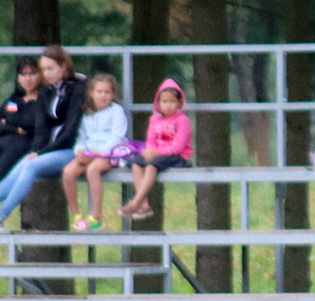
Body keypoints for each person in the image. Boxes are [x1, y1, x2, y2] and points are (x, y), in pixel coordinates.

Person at [0, 46, 86, 226]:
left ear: (64, 67)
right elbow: (41, 129)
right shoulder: (46, 92)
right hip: (49, 150)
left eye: (50, 69)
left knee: (31, 165)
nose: (46, 74)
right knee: (20, 167)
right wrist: (36, 150)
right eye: (44, 69)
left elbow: (70, 132)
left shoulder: (77, 89)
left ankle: (1, 215)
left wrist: (41, 153)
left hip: (72, 150)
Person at [119, 78, 192, 221]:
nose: (168, 105)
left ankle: (135, 202)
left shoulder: (183, 120)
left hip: (177, 156)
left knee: (151, 166)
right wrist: (149, 152)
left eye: (172, 101)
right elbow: (151, 140)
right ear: (158, 103)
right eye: (164, 102)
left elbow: (177, 147)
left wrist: (156, 153)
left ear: (179, 102)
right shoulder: (154, 119)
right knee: (136, 163)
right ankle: (144, 205)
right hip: (156, 154)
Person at [62, 73, 127, 231]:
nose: (103, 96)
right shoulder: (86, 113)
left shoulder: (116, 111)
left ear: (112, 94)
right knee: (68, 172)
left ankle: (96, 216)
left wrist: (100, 152)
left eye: (107, 92)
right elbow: (82, 137)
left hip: (110, 153)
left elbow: (117, 137)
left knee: (93, 170)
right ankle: (76, 214)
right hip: (89, 152)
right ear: (91, 93)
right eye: (99, 92)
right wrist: (80, 151)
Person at [0, 57, 44, 182]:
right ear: (18, 78)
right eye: (23, 75)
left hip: (25, 145)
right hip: (4, 140)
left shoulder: (44, 100)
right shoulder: (14, 100)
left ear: (40, 75)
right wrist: (16, 129)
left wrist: (8, 121)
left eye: (32, 74)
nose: (28, 79)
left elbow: (33, 123)